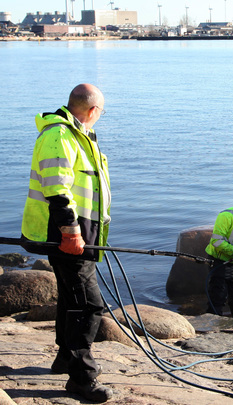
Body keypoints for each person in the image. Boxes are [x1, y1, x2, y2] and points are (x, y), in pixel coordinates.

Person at [20, 84, 113, 402]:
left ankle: (64, 359)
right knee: (88, 305)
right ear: (92, 111)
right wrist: (71, 233)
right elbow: (57, 190)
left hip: (77, 235)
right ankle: (81, 378)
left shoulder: (78, 136)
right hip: (64, 235)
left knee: (71, 298)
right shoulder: (60, 136)